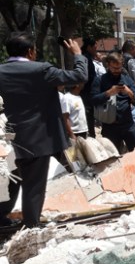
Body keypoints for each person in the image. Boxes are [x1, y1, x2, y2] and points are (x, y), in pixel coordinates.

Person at [0, 32, 87, 228]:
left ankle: (1, 219)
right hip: (37, 139)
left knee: (10, 180)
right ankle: (32, 226)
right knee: (33, 185)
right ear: (31, 51)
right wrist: (78, 55)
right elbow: (79, 76)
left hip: (6, 140)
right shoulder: (42, 70)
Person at [91, 52, 135, 153]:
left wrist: (129, 93)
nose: (117, 71)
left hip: (128, 125)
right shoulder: (100, 80)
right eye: (114, 68)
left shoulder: (127, 79)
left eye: (119, 68)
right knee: (112, 157)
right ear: (108, 65)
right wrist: (108, 93)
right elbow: (93, 100)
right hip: (110, 127)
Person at [80, 37, 106, 136]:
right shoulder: (86, 59)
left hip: (89, 92)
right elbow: (88, 77)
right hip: (87, 93)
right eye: (95, 47)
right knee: (88, 116)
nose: (96, 49)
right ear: (89, 47)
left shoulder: (87, 58)